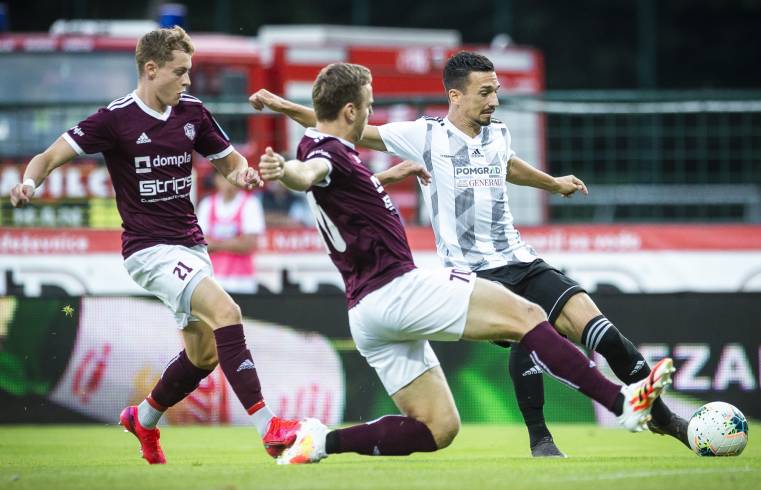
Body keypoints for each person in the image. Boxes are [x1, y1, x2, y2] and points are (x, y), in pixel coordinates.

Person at [250, 52, 690, 457]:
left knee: (439, 427)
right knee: (528, 321)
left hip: (382, 303)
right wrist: (286, 150)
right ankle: (613, 408)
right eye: (486, 91)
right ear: (455, 96)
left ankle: (318, 441)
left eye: (496, 90)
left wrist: (553, 183)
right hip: (429, 279)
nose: (494, 100)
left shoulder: (334, 151)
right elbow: (319, 160)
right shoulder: (409, 137)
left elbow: (505, 164)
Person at [9, 26, 300, 464]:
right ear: (150, 69)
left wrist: (241, 173)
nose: (188, 80)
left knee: (203, 356)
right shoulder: (115, 119)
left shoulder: (192, 113)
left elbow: (230, 161)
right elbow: (48, 157)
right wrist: (29, 183)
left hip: (190, 246)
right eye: (179, 72)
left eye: (189, 71)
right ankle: (269, 426)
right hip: (149, 250)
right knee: (227, 313)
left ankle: (142, 418)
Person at [197, 172, 264, 294]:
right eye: (224, 178)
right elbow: (201, 244)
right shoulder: (206, 204)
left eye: (232, 178)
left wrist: (215, 243)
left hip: (243, 282)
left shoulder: (251, 203)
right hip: (213, 280)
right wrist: (235, 241)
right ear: (216, 180)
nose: (228, 183)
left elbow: (248, 244)